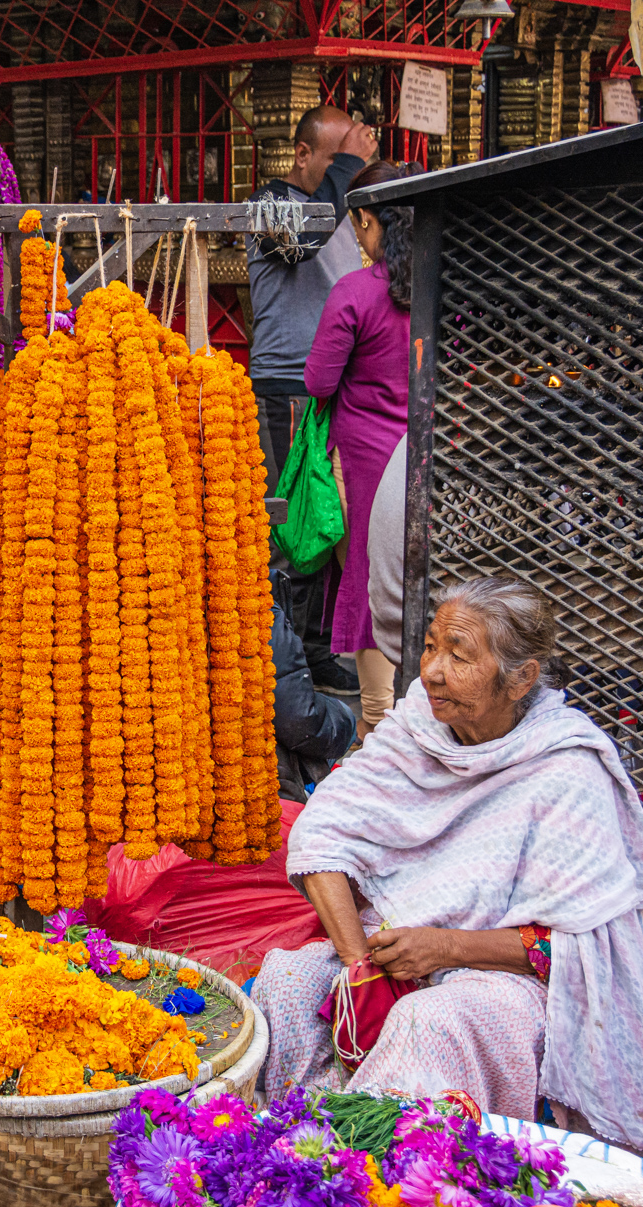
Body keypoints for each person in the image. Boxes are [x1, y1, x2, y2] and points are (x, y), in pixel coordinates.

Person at [251, 574, 643, 1163]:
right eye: (431, 646)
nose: (431, 670)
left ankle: (378, 1181)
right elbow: (322, 834)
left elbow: (579, 948)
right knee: (287, 980)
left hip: (503, 977)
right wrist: (359, 970)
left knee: (430, 1019)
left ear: (521, 678)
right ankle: (282, 1152)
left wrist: (446, 947)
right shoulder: (415, 729)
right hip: (391, 951)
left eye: (459, 655)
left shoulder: (568, 770)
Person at [249, 105, 377, 701]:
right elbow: (299, 244)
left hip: (336, 390)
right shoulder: (270, 202)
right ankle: (291, 660)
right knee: (293, 524)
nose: (348, 174)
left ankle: (318, 650)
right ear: (303, 155)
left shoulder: (343, 209)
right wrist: (350, 165)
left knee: (331, 521)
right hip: (287, 387)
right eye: (337, 161)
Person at [302, 160, 412, 740]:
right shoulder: (439, 284)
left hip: (364, 459)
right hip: (426, 452)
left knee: (372, 579)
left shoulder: (355, 292)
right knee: (419, 576)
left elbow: (318, 380)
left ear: (368, 218)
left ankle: (378, 717)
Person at [271, 572, 356, 800]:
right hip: (262, 786)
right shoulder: (254, 605)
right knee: (342, 720)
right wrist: (346, 720)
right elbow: (298, 720)